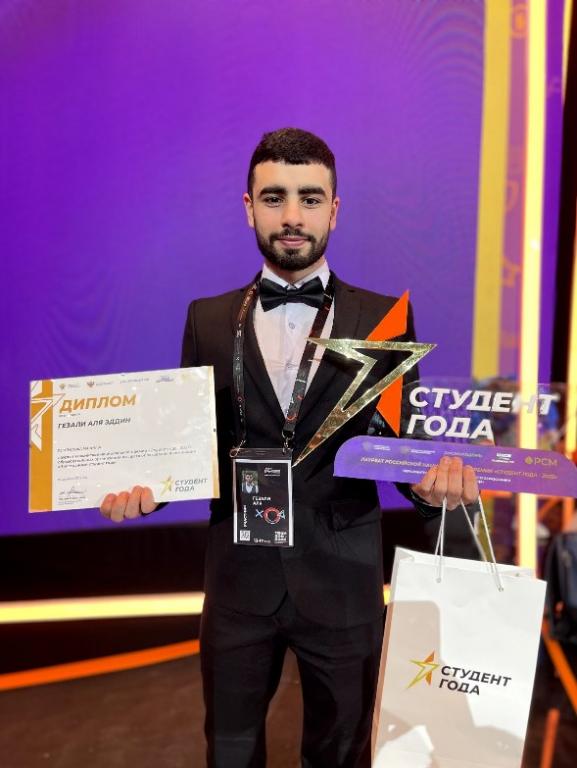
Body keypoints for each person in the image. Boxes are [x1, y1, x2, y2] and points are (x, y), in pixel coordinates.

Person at [100, 128, 479, 767]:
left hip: (344, 582)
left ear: (335, 209)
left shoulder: (385, 317)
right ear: (249, 207)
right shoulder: (205, 318)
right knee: (230, 751)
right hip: (238, 587)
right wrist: (145, 491)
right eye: (274, 198)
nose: (293, 216)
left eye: (310, 197)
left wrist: (432, 490)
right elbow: (189, 444)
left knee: (341, 754)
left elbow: (400, 443)